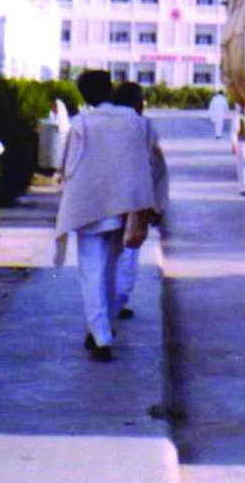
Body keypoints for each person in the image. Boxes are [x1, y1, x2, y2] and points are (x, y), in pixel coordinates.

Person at [55, 70, 168, 361]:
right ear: (110, 89)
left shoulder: (80, 124)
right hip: (122, 208)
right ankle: (101, 327)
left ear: (85, 96)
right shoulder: (135, 122)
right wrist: (152, 204)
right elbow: (150, 163)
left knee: (91, 272)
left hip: (88, 209)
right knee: (108, 271)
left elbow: (66, 167)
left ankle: (101, 335)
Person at [109, 81, 149, 322]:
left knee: (108, 258)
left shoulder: (100, 123)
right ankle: (116, 303)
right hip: (131, 201)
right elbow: (152, 167)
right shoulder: (141, 126)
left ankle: (108, 310)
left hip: (103, 202)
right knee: (128, 255)